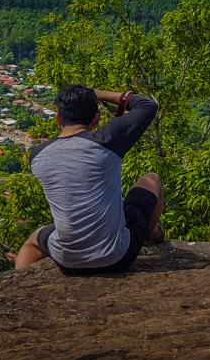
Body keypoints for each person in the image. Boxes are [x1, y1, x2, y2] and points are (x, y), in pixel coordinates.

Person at [11, 84, 165, 274]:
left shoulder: (37, 156)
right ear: (96, 118)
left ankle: (19, 282)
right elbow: (147, 105)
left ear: (58, 118)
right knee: (152, 179)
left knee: (33, 241)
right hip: (116, 257)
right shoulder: (107, 141)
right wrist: (99, 94)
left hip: (67, 261)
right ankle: (151, 234)